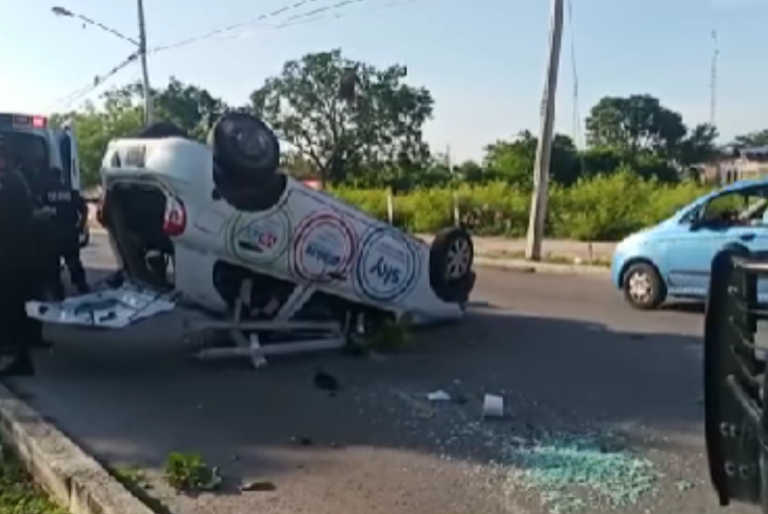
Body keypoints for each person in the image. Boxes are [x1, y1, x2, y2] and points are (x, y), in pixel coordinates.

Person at [0, 136, 40, 376]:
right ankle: (20, 357)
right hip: (17, 253)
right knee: (13, 308)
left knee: (11, 308)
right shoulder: (17, 179)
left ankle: (21, 359)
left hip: (10, 256)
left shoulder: (7, 181)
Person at [42, 168, 89, 298]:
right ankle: (82, 287)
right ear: (61, 177)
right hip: (69, 232)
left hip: (52, 234)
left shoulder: (45, 193)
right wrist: (81, 225)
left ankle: (58, 293)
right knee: (74, 262)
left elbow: (40, 211)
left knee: (53, 265)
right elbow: (84, 209)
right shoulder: (70, 192)